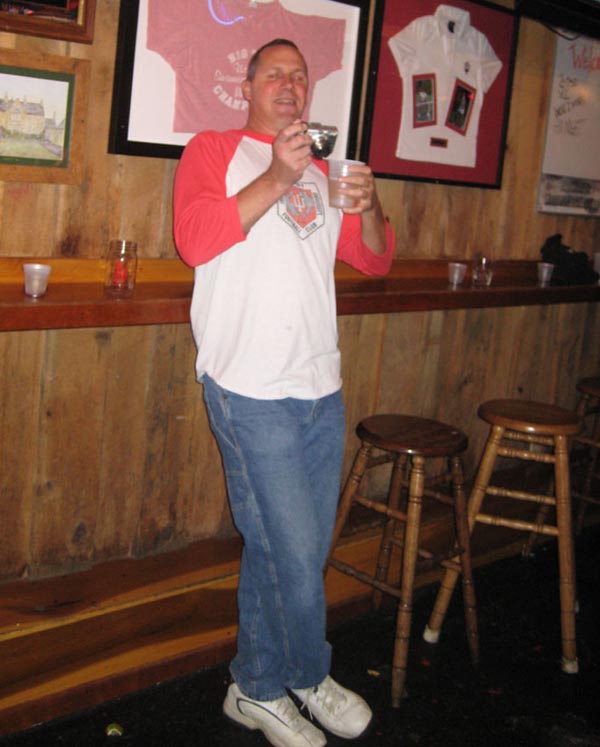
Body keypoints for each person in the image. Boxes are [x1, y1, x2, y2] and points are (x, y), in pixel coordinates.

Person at [173, 38, 394, 747]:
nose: (290, 84)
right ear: (247, 87)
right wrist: (276, 172)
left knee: (286, 547)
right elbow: (194, 239)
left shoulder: (325, 172)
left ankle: (259, 684)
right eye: (274, 74)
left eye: (300, 75)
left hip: (320, 384)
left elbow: (375, 258)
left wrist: (371, 204)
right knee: (294, 550)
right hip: (247, 384)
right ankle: (301, 675)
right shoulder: (213, 151)